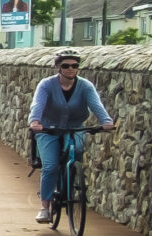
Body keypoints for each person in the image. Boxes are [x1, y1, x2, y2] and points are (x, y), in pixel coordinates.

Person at [27, 50, 116, 223]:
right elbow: (38, 104)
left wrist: (106, 121)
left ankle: (73, 181)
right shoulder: (46, 85)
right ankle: (45, 207)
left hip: (75, 127)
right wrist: (35, 121)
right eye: (66, 66)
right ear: (58, 67)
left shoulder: (85, 86)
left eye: (74, 66)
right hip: (48, 128)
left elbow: (96, 104)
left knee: (77, 152)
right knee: (51, 166)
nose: (70, 69)